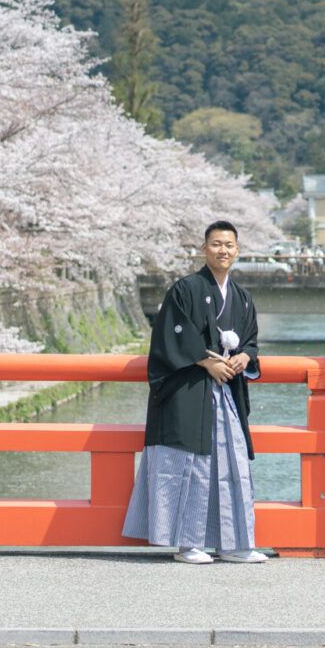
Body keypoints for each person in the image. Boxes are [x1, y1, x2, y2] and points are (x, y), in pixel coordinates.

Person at [123, 221, 266, 564]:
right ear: (204, 249)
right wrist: (205, 361)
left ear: (237, 250)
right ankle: (189, 544)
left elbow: (250, 341)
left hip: (225, 396)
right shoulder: (185, 289)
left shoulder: (242, 298)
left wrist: (245, 356)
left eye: (229, 245)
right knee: (190, 467)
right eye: (216, 244)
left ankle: (234, 543)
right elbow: (171, 336)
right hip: (189, 392)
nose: (223, 250)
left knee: (231, 465)